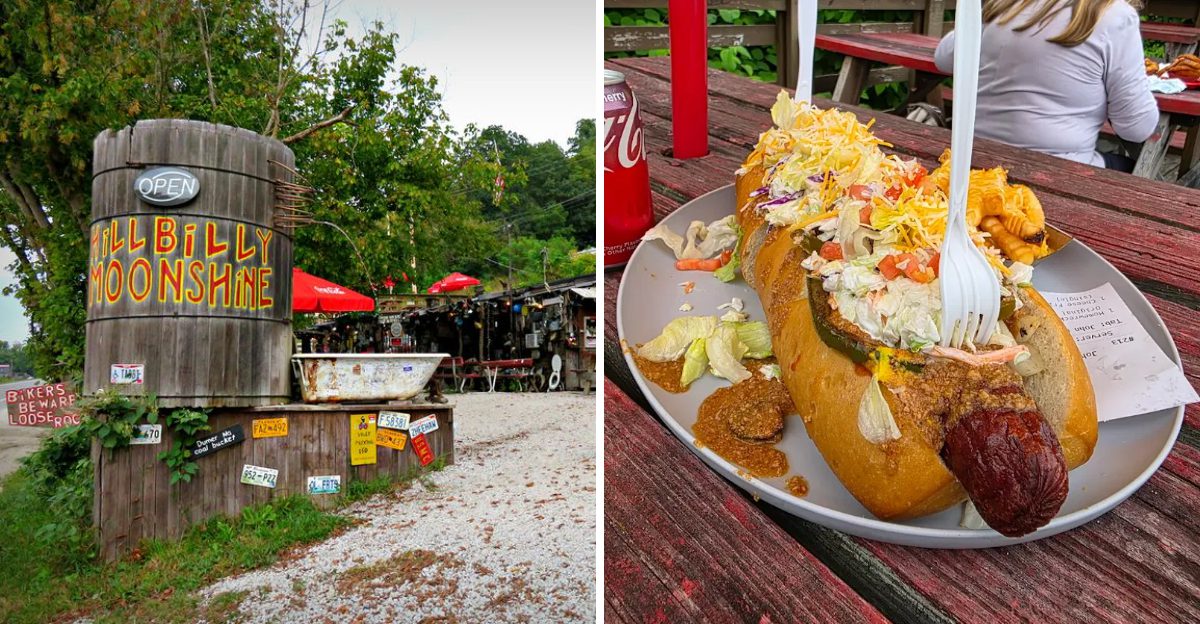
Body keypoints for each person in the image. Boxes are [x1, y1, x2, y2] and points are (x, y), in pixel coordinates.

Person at [934, 0, 1159, 172]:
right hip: (1060, 170)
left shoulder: (1004, 6)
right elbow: (1137, 128)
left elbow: (943, 58)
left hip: (976, 160)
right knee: (1138, 172)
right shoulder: (1116, 16)